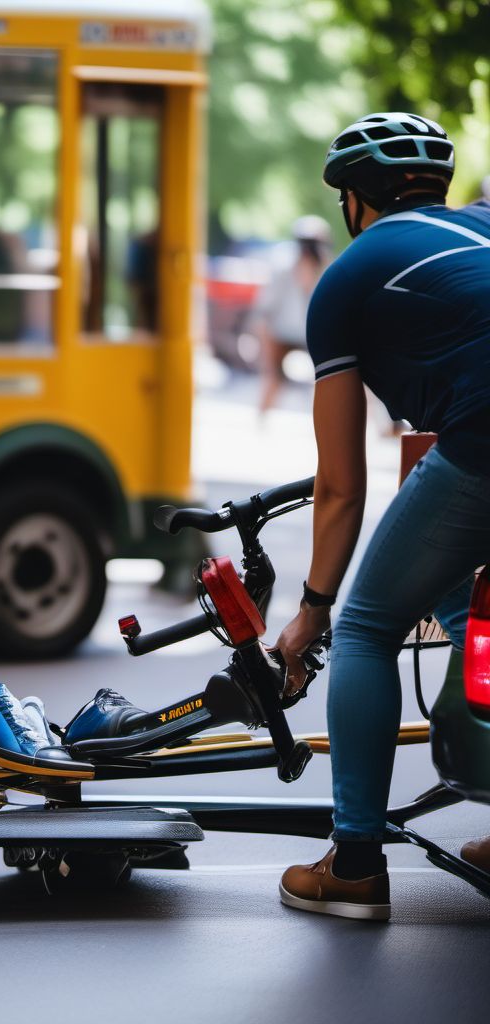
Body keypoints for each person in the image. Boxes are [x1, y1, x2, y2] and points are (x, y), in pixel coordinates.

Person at [273, 112, 490, 920]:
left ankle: (356, 862)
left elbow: (340, 486)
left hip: (483, 439)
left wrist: (313, 609)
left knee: (367, 623)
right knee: (463, 604)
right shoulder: (483, 228)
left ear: (354, 204)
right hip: (472, 439)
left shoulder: (348, 277)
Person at [254, 216, 332, 414]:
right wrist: (264, 348)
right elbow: (265, 310)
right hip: (281, 333)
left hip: (312, 333)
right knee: (273, 377)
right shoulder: (283, 268)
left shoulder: (328, 270)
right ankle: (262, 417)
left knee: (327, 378)